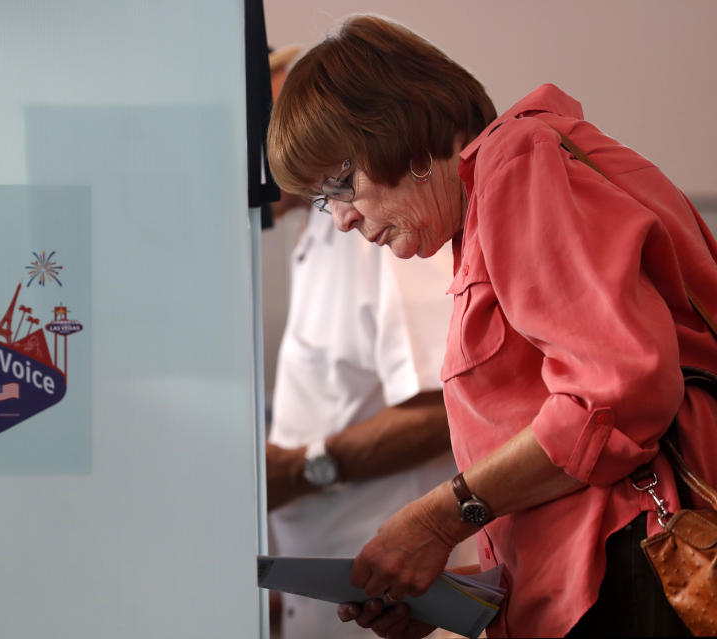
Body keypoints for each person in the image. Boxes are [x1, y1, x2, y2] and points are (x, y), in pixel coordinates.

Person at [266, 13, 717, 639]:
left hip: (640, 572)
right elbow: (568, 462)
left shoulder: (515, 162)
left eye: (342, 182)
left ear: (406, 133)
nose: (340, 218)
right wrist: (456, 587)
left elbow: (616, 394)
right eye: (322, 198)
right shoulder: (483, 212)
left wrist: (435, 521)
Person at [265, 44, 475, 639]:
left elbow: (446, 404)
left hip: (411, 600)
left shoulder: (392, 221)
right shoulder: (323, 229)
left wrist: (309, 468)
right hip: (356, 603)